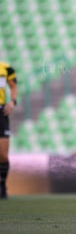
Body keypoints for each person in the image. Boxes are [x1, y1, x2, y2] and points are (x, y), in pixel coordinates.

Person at [0, 61, 18, 199]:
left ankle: (2, 185)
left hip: (1, 112)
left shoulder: (6, 68)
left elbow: (13, 87)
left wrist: (12, 102)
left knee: (3, 155)